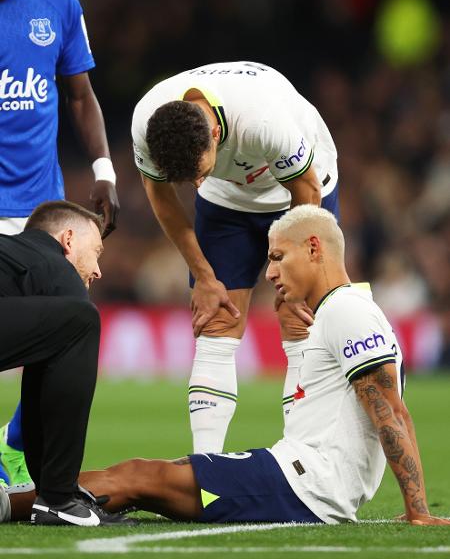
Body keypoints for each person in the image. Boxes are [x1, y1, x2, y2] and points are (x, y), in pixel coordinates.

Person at [3, 205, 449, 526]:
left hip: (305, 485)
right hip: (301, 474)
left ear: (315, 248)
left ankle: (21, 503)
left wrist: (418, 509)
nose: (269, 272)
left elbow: (389, 410)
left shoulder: (350, 311)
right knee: (153, 474)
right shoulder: (330, 314)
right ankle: (35, 500)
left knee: (140, 476)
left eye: (277, 257)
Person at [132, 60, 339, 453]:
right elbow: (161, 197)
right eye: (187, 178)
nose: (194, 182)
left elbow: (307, 192)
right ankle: (207, 465)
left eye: (198, 171)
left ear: (214, 134)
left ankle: (303, 456)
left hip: (300, 190)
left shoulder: (263, 119)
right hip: (226, 200)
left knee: (298, 322)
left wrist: (288, 266)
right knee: (216, 319)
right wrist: (203, 275)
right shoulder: (148, 121)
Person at [0, 0, 120, 488]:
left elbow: (79, 94)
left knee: (67, 326)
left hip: (40, 217)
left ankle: (22, 447)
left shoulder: (59, 3)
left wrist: (103, 168)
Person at [0, 200, 134, 526]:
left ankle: (54, 495)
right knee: (83, 320)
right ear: (69, 240)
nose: (99, 270)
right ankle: (59, 500)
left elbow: (43, 371)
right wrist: (58, 494)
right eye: (97, 251)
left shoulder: (17, 258)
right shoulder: (53, 264)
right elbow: (55, 375)